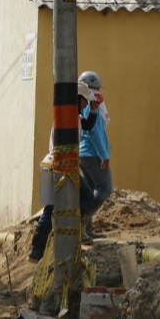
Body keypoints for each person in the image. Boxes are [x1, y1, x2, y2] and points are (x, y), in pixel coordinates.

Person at [27, 83, 103, 262]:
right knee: (84, 198)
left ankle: (38, 249)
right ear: (77, 99)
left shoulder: (72, 117)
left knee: (52, 208)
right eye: (84, 101)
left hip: (58, 165)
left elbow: (89, 125)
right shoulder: (67, 118)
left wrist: (93, 110)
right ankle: (62, 239)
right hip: (61, 167)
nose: (85, 105)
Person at [78, 70, 113, 239]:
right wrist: (103, 155)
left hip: (83, 154)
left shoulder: (85, 103)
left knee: (92, 189)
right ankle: (82, 223)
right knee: (104, 189)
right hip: (92, 154)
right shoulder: (90, 102)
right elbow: (94, 132)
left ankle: (87, 231)